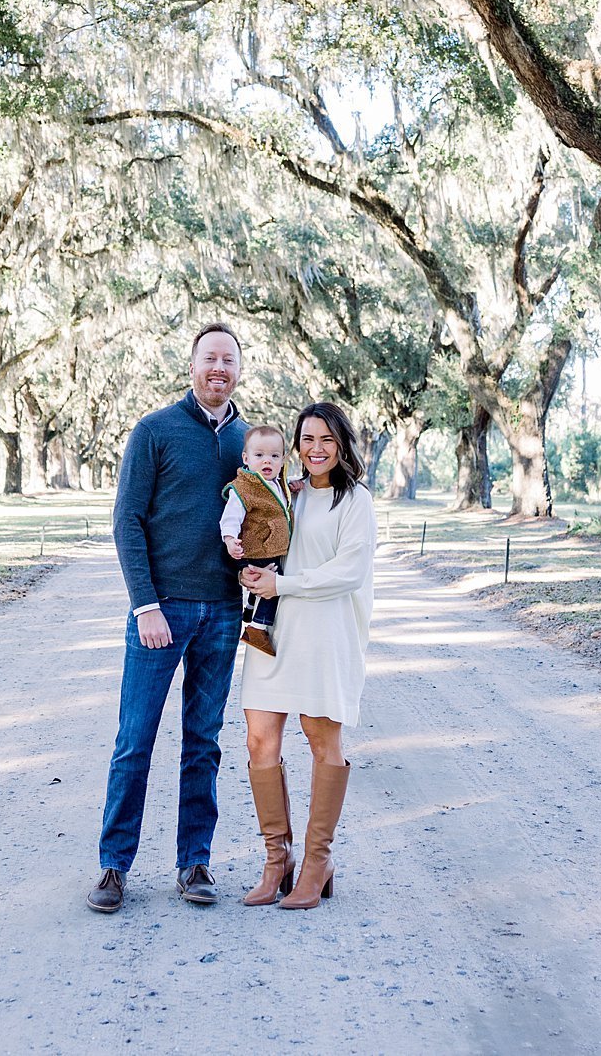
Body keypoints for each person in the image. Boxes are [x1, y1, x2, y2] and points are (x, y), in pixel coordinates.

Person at [87, 323, 249, 914]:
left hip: (224, 613)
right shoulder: (154, 432)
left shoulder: (247, 443)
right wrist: (145, 604)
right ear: (192, 366)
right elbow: (127, 521)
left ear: (237, 370)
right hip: (162, 610)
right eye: (210, 358)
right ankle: (113, 866)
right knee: (135, 740)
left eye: (228, 361)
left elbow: (268, 518)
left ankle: (194, 861)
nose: (218, 369)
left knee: (203, 742)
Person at [236, 401, 377, 909]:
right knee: (259, 741)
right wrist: (251, 572)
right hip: (272, 631)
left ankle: (318, 861)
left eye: (326, 440)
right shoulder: (286, 494)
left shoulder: (354, 500)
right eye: (307, 440)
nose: (315, 449)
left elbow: (348, 573)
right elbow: (261, 543)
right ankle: (278, 860)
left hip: (325, 634)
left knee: (322, 742)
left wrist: (283, 584)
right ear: (296, 447)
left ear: (342, 445)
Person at [220, 424, 293, 657]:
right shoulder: (244, 488)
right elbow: (231, 516)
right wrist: (230, 539)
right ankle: (258, 628)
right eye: (259, 455)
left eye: (274, 456)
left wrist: (295, 485)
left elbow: (281, 498)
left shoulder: (276, 483)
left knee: (263, 583)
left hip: (268, 546)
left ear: (283, 460)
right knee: (274, 585)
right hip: (257, 548)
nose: (267, 462)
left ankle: (250, 610)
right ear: (246, 458)